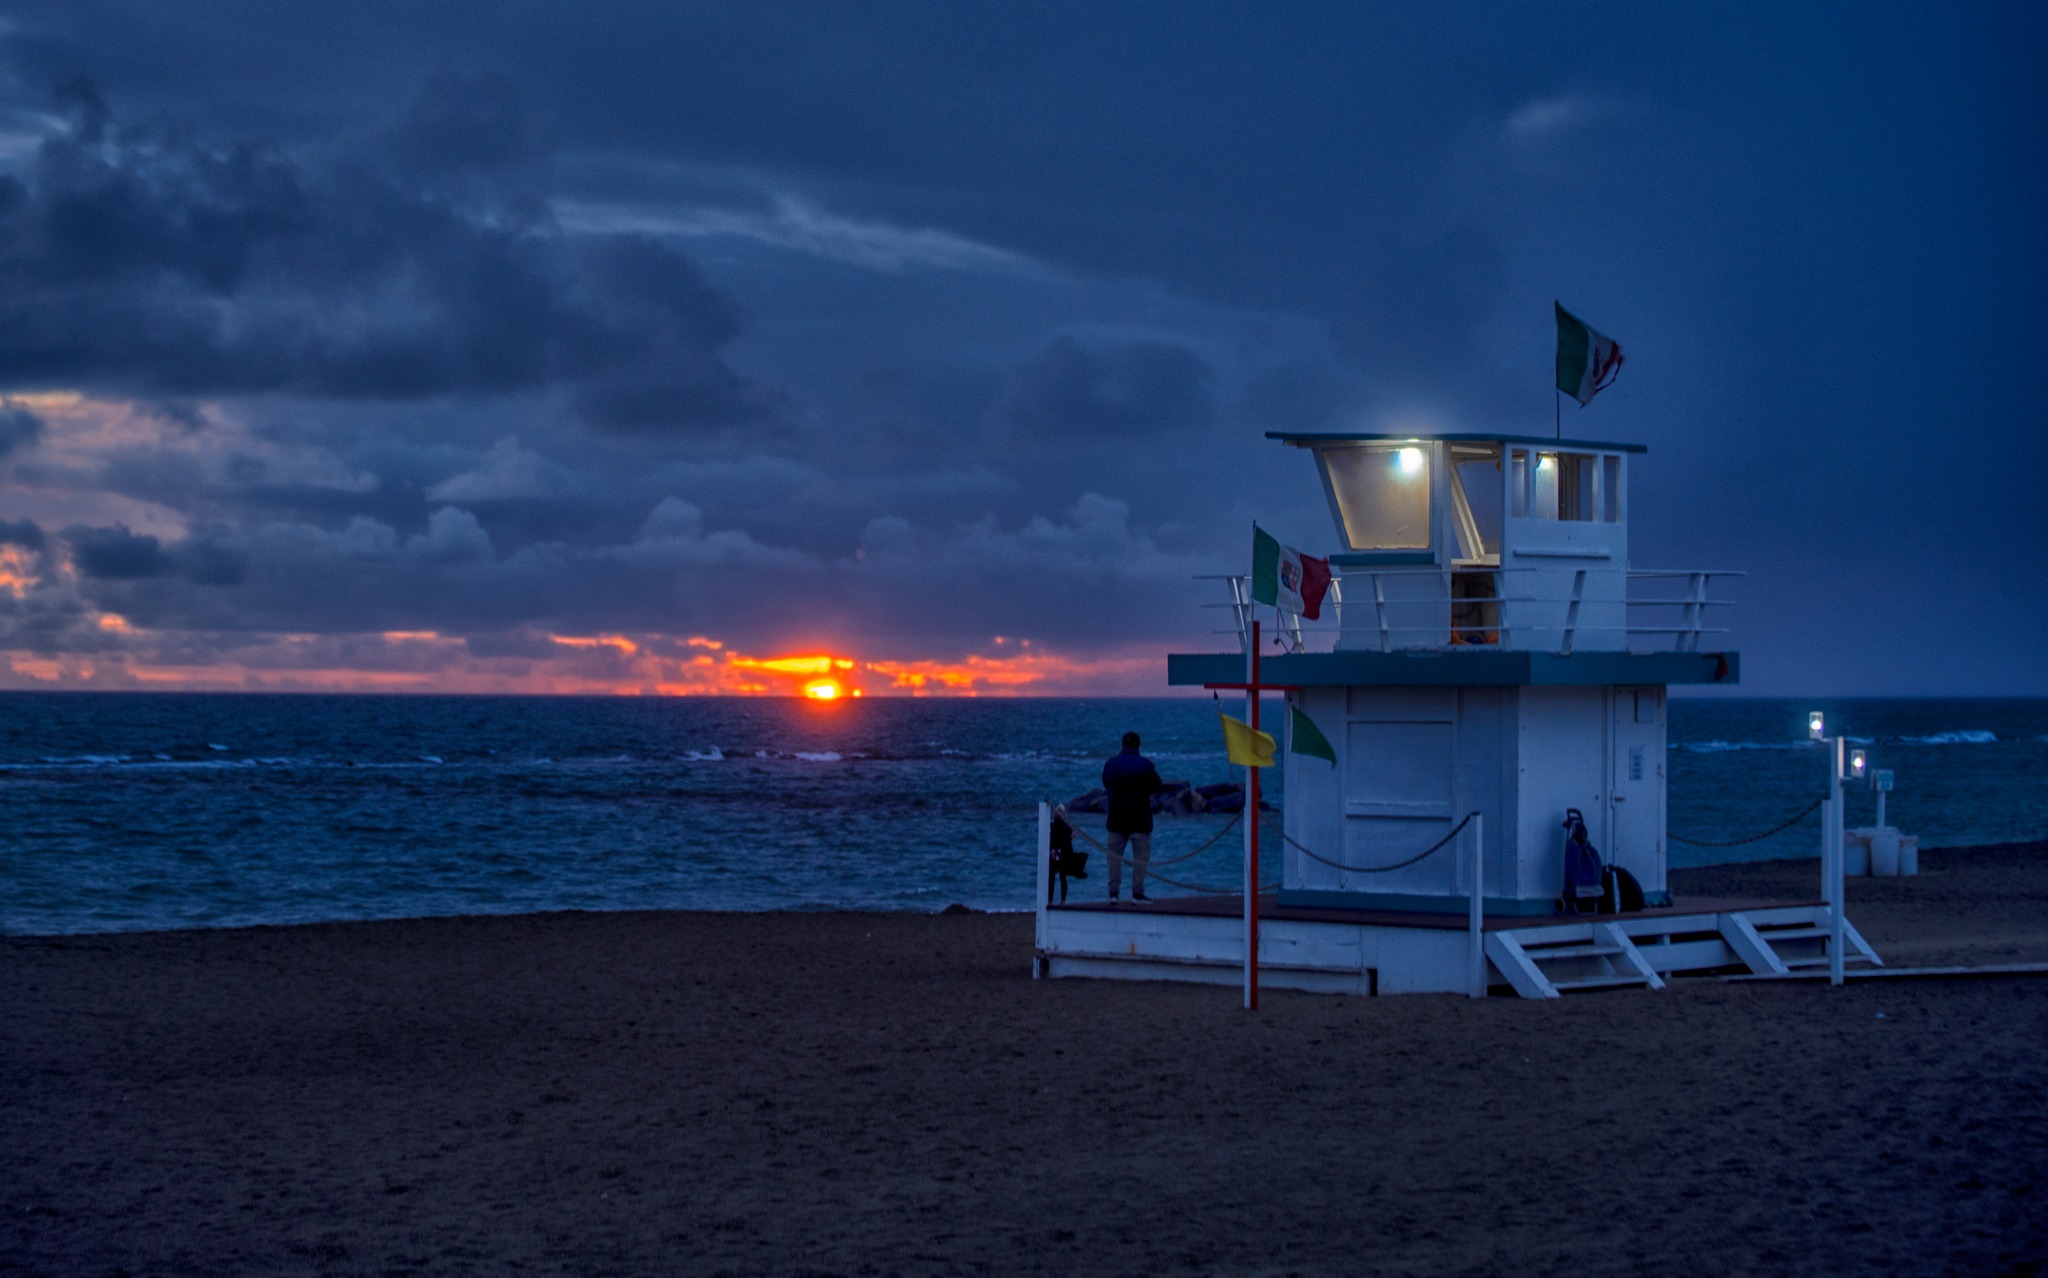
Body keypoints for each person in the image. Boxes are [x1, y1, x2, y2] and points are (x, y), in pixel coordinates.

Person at [1100, 730, 1164, 903]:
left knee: (1114, 858)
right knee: (1141, 858)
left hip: (1116, 819)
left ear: (1122, 745)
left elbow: (1105, 782)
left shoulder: (1111, 764)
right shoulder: (1145, 766)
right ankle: (1137, 893)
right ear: (1138, 745)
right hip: (1140, 819)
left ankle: (1113, 893)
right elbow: (1158, 786)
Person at [1048, 804, 1081, 904]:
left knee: (1052, 879)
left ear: (1055, 814)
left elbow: (1050, 838)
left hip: (1054, 854)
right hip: (1062, 855)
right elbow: (1071, 837)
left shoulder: (1052, 826)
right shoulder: (1067, 827)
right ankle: (1062, 901)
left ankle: (1050, 901)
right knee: (1062, 878)